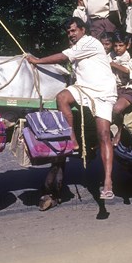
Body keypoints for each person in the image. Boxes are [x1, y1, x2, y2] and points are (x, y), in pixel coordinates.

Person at [27, 17, 118, 200]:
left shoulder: (90, 42)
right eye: (68, 32)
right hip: (83, 88)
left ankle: (108, 182)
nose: (71, 34)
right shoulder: (78, 47)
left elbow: (62, 56)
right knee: (62, 97)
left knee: (103, 135)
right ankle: (73, 140)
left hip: (103, 92)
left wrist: (36, 61)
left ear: (83, 30)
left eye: (73, 30)